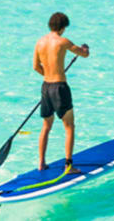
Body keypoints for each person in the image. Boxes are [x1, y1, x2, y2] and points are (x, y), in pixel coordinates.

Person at [34, 12, 90, 173]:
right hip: (60, 88)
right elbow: (84, 54)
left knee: (46, 126)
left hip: (46, 87)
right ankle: (68, 166)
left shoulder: (40, 42)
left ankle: (41, 162)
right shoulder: (63, 41)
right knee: (69, 127)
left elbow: (36, 67)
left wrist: (48, 76)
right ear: (63, 27)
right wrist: (85, 49)